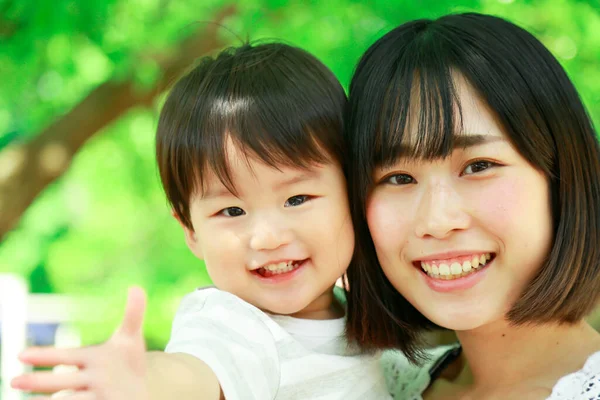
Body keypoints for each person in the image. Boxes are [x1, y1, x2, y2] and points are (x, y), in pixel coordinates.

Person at [11, 42, 411, 399]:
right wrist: (144, 382)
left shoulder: (366, 320)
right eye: (232, 211)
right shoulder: (230, 325)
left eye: (297, 198)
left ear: (353, 193)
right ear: (190, 230)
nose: (267, 237)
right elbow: (193, 372)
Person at [343, 12, 600, 400]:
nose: (437, 221)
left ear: (562, 177)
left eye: (479, 166)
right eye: (398, 178)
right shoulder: (369, 386)